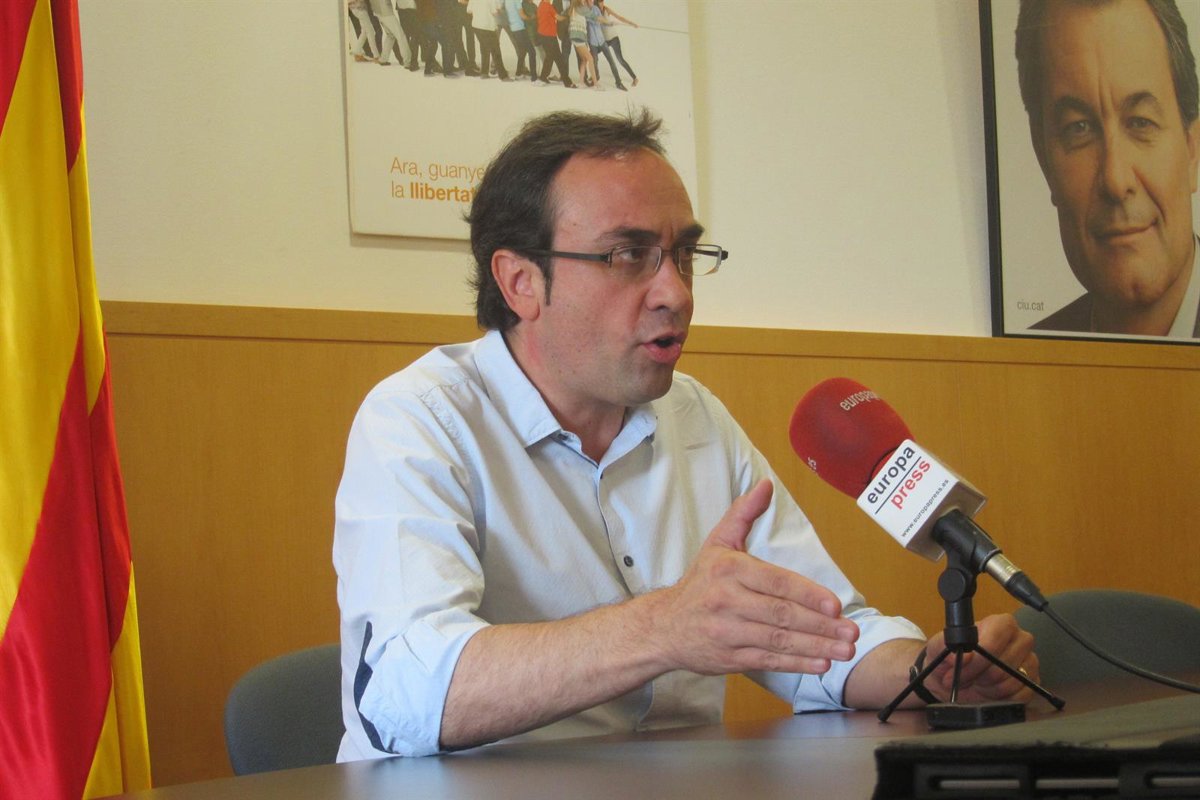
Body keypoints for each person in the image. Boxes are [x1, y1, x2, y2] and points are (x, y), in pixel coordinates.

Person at [333, 109, 1040, 761]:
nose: (676, 292)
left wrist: (924, 672)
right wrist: (662, 628)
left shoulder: (695, 416)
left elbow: (815, 633)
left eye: (683, 255)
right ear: (521, 282)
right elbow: (400, 692)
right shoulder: (418, 420)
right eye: (627, 255)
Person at [1015, 0, 1200, 338]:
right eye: (1079, 128)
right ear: (1044, 159)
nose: (1116, 180)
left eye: (1141, 122)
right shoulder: (1021, 361)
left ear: (1192, 148)